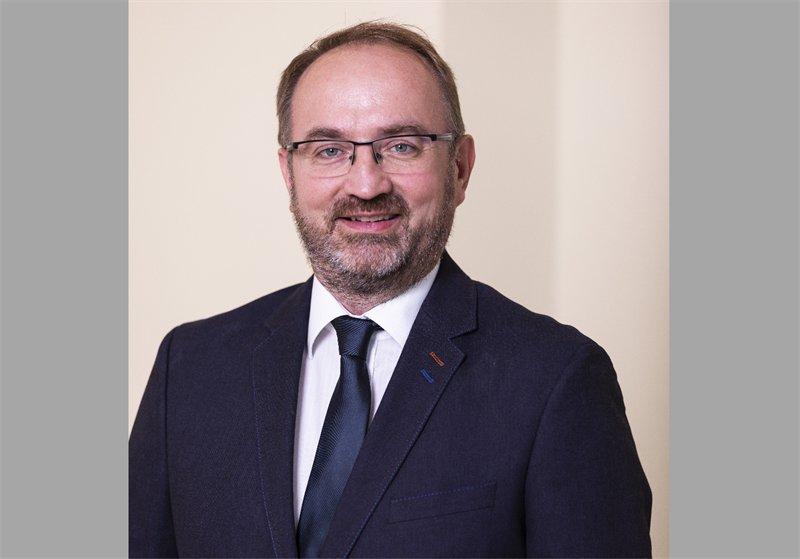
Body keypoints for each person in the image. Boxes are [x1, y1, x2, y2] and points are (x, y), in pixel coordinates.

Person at [129, 21, 652, 558]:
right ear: (289, 173)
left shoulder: (555, 380)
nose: (365, 185)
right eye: (328, 150)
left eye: (402, 146)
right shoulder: (188, 369)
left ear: (460, 168)